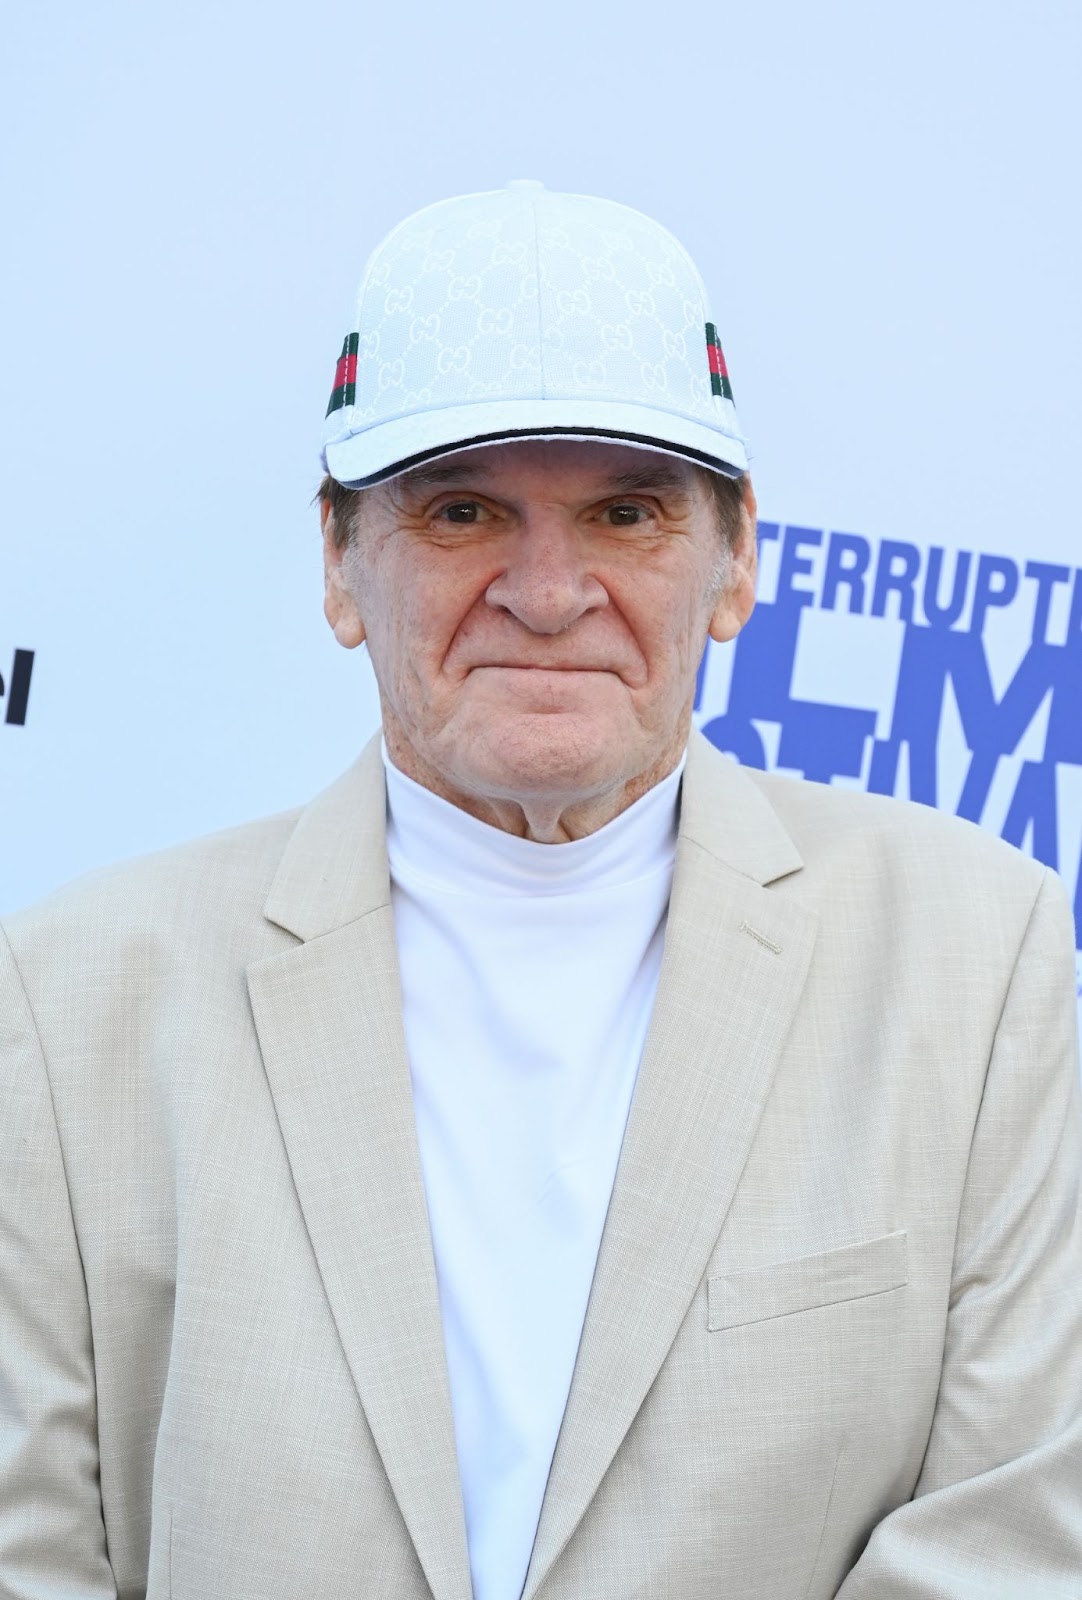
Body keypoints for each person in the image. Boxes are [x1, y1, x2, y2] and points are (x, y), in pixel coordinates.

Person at [1, 181, 1080, 1600]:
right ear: (339, 563)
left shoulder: (971, 954)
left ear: (735, 556)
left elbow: (1010, 1529)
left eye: (625, 511)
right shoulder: (70, 997)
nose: (549, 588)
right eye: (461, 512)